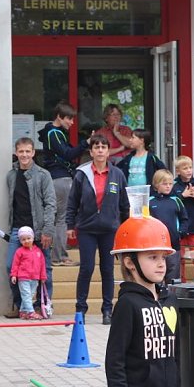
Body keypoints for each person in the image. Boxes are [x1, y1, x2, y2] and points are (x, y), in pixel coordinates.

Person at [106, 215, 183, 387]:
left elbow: (175, 355)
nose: (162, 264)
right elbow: (115, 360)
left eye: (163, 257)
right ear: (130, 262)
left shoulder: (170, 301)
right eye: (152, 257)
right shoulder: (128, 305)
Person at [66, 134, 130, 325]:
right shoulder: (82, 173)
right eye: (97, 147)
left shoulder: (117, 174)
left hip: (110, 229)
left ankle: (107, 310)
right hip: (86, 228)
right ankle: (80, 310)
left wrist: (125, 228)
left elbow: (124, 204)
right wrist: (70, 225)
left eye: (104, 147)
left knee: (108, 269)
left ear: (108, 151)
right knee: (86, 268)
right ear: (91, 151)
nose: (100, 150)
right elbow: (72, 202)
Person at [4, 137, 56, 319]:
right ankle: (23, 307)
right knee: (11, 265)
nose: (24, 155)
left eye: (28, 151)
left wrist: (48, 230)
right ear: (16, 153)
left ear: (33, 153)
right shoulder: (11, 175)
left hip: (39, 229)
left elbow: (51, 204)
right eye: (21, 151)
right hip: (18, 229)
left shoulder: (43, 175)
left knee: (44, 269)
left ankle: (42, 306)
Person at [38, 101, 89, 267]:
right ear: (59, 117)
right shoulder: (54, 133)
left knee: (56, 217)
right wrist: (86, 144)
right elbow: (68, 154)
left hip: (58, 177)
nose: (72, 123)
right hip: (60, 178)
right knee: (61, 218)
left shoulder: (53, 133)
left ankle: (56, 254)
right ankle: (59, 256)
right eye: (69, 119)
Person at [148, 169, 189, 285]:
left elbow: (184, 219)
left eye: (170, 184)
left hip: (174, 245)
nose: (168, 186)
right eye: (164, 184)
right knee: (156, 277)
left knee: (173, 277)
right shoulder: (149, 201)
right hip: (155, 245)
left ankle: (171, 301)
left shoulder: (176, 200)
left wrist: (181, 232)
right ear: (156, 185)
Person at [172, 156, 194, 278]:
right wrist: (182, 196)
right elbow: (171, 204)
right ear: (178, 171)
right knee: (179, 260)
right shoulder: (174, 185)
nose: (188, 170)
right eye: (185, 168)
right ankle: (180, 285)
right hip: (180, 229)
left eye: (190, 167)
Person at [9, 226, 48, 320]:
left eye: (28, 238)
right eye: (23, 239)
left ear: (33, 238)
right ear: (20, 240)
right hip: (23, 277)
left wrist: (43, 277)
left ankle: (23, 312)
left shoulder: (38, 251)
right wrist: (14, 275)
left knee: (29, 295)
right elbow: (15, 264)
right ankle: (31, 312)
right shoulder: (19, 251)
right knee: (26, 295)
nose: (26, 241)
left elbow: (42, 265)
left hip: (35, 278)